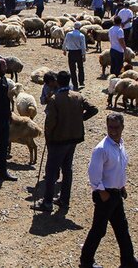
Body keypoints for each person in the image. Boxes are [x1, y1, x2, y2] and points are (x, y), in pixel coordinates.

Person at [80, 113, 138, 268]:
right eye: (110, 127)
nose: (113, 130)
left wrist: (122, 186)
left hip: (115, 194)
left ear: (122, 127)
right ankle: (86, 261)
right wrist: (102, 193)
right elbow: (93, 173)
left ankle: (128, 260)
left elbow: (118, 169)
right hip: (105, 195)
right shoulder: (102, 148)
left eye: (116, 127)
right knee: (99, 229)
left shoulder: (120, 145)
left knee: (122, 228)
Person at [32, 71, 98, 212]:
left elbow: (51, 121)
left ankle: (47, 202)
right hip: (73, 139)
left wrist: (48, 135)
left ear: (57, 81)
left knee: (51, 171)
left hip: (58, 140)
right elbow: (93, 109)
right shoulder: (78, 96)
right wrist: (81, 119)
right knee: (67, 170)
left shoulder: (55, 99)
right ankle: (64, 200)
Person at [62, 22, 86, 90]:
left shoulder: (68, 34)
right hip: (78, 53)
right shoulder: (81, 35)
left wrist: (64, 50)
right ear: (80, 27)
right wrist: (84, 55)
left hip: (71, 53)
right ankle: (81, 82)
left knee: (72, 69)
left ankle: (75, 84)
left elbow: (65, 42)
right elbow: (83, 46)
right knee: (80, 67)